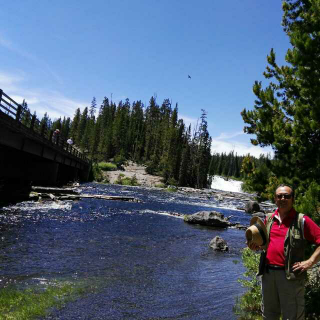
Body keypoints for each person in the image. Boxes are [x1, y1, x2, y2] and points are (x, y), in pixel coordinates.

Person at [247, 184, 320, 320]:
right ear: (275, 199)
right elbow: (264, 245)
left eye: (286, 196)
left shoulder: (301, 221)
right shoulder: (269, 219)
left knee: (292, 317)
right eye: (279, 196)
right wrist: (256, 247)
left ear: (293, 199)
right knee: (269, 316)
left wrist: (310, 262)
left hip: (290, 277)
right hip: (268, 275)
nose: (283, 198)